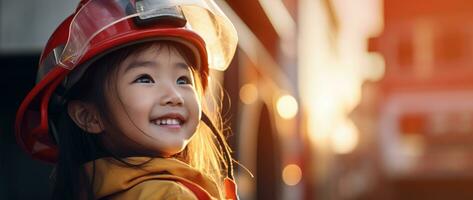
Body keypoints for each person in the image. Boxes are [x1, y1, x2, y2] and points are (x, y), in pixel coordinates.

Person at [14, 0, 239, 199]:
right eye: (145, 78)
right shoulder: (171, 195)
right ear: (88, 116)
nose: (174, 96)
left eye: (183, 80)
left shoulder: (90, 188)